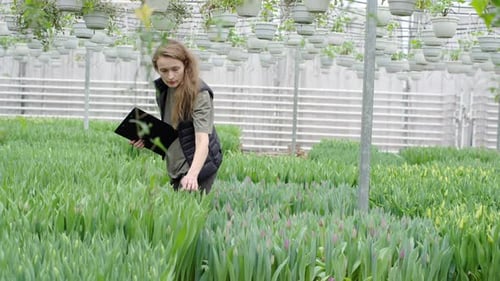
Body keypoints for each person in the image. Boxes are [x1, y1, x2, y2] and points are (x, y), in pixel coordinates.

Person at [130, 39, 223, 194]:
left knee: (189, 214)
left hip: (197, 165)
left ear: (186, 65)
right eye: (164, 71)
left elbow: (202, 140)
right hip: (175, 163)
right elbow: (172, 127)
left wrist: (192, 175)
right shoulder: (163, 89)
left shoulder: (199, 94)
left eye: (175, 69)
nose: (170, 76)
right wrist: (146, 138)